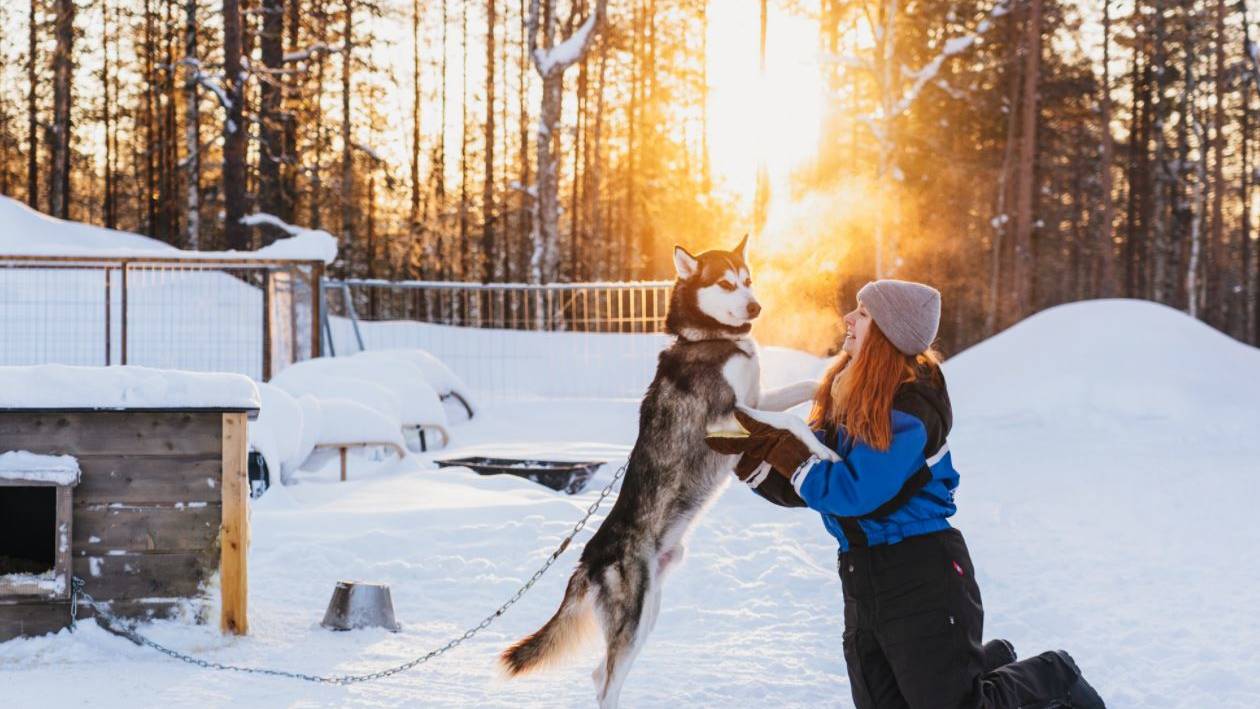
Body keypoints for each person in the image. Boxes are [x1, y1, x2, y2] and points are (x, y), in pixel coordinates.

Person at [707, 279, 1105, 709]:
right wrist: (735, 447)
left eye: (862, 313)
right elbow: (807, 487)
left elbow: (852, 492)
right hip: (861, 577)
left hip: (921, 574)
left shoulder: (909, 409)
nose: (848, 319)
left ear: (887, 332)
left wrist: (787, 448)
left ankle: (1054, 674)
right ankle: (985, 665)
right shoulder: (847, 397)